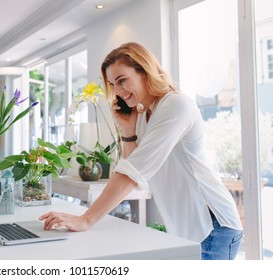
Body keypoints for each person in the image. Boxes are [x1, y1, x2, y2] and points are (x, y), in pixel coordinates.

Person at [39, 42, 243, 260]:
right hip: (188, 226)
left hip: (212, 224)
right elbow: (133, 166)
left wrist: (86, 219)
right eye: (112, 84)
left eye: (122, 80)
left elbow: (133, 170)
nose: (117, 91)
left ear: (145, 71)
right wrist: (128, 129)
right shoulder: (146, 115)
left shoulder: (176, 105)